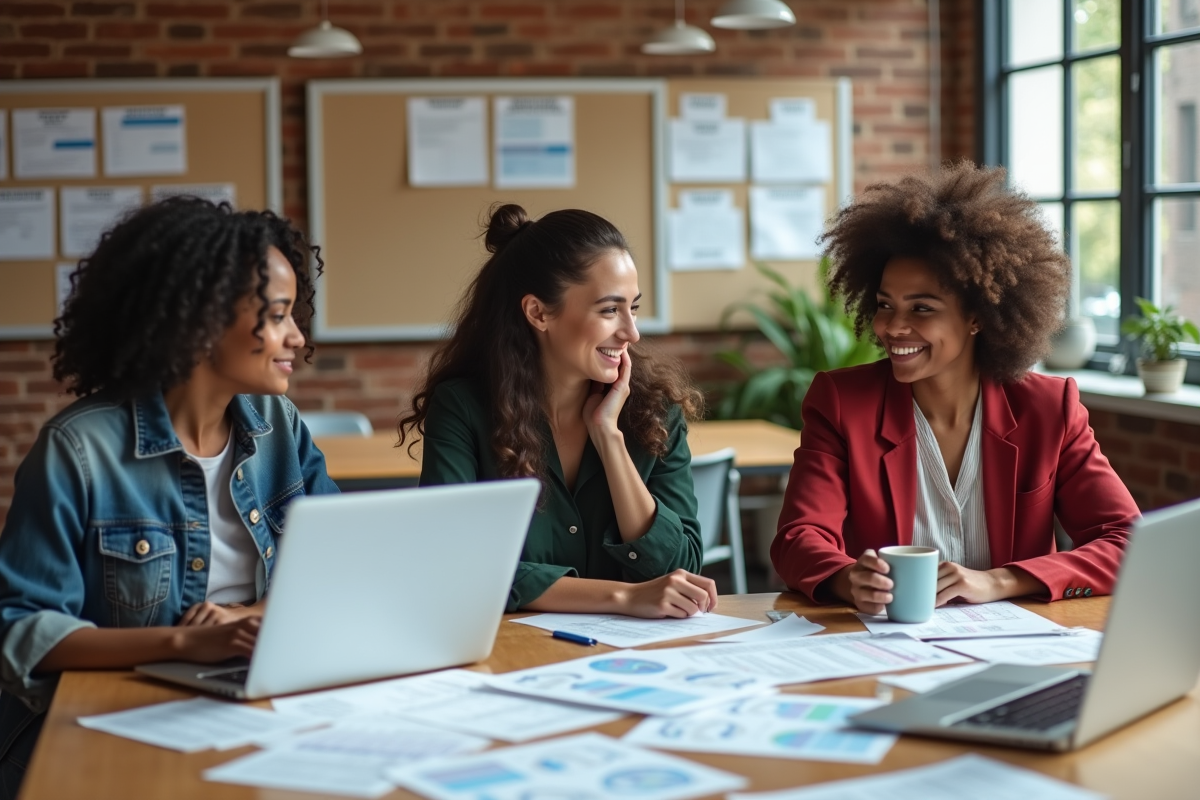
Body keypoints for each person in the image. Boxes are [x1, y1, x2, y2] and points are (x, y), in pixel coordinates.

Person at [0, 198, 339, 797]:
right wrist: (186, 642)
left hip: (258, 694)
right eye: (278, 315)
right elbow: (23, 632)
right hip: (112, 717)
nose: (297, 336)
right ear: (204, 322)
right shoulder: (79, 450)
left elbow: (341, 567)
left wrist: (245, 618)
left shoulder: (279, 426)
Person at [771, 162, 1140, 614]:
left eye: (921, 308)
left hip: (1017, 640)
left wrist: (1000, 581)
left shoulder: (1048, 409)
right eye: (885, 305)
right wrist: (847, 579)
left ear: (977, 317)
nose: (893, 326)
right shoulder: (843, 403)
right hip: (884, 641)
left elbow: (1126, 542)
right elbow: (798, 538)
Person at [400, 204, 714, 618]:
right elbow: (451, 561)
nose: (631, 332)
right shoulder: (463, 408)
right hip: (513, 646)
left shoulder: (655, 409)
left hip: (633, 650)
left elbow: (680, 568)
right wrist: (623, 597)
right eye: (609, 310)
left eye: (633, 308)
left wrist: (609, 438)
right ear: (539, 312)